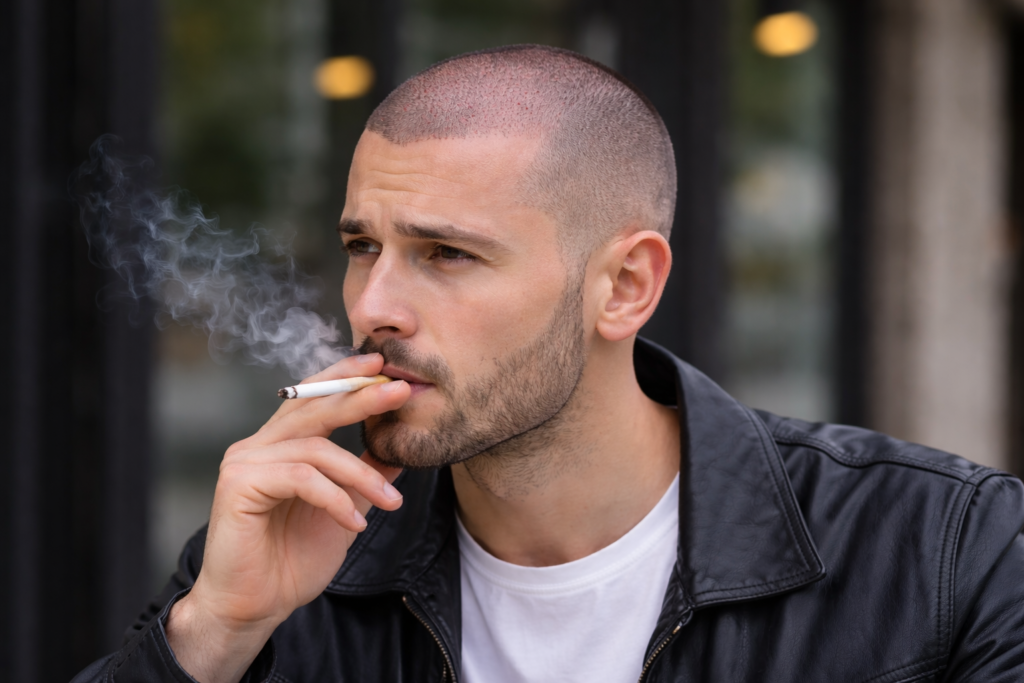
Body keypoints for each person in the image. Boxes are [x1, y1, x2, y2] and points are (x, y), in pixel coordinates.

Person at [74, 44, 1024, 683]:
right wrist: (213, 633)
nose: (372, 306)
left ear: (624, 286)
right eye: (364, 246)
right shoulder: (297, 565)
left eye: (447, 253)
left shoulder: (946, 552)